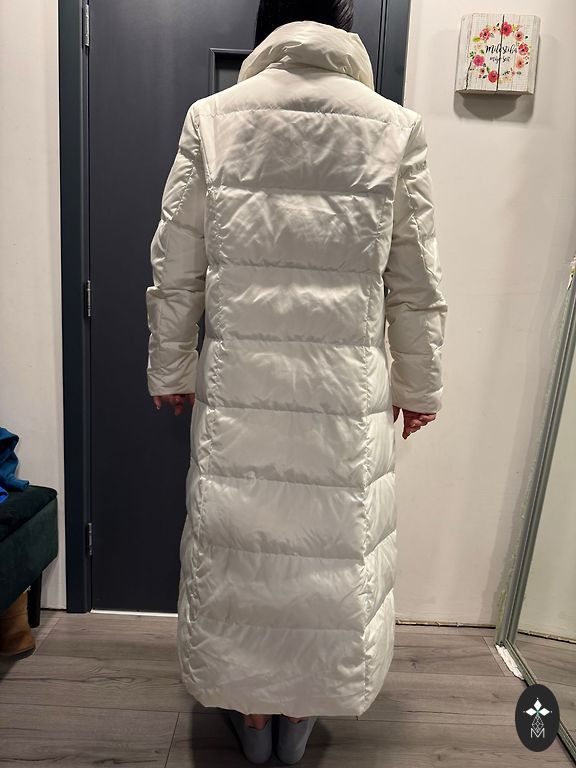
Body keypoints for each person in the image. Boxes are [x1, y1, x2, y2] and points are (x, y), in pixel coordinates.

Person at [146, 0, 448, 763]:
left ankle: (253, 722)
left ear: (267, 29)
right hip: (341, 397)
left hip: (241, 388)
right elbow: (415, 283)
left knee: (245, 549)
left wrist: (170, 363)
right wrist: (419, 385)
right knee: (327, 554)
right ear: (343, 26)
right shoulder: (394, 126)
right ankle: (302, 715)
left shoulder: (214, 118)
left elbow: (176, 264)